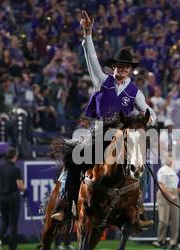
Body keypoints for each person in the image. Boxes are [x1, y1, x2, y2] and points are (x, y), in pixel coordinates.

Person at [50, 11, 156, 230]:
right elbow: (92, 59)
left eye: (127, 66)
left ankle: (138, 208)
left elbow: (148, 111)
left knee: (141, 164)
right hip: (98, 133)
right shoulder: (102, 80)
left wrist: (149, 120)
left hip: (120, 137)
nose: (123, 68)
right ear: (114, 67)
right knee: (74, 160)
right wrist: (88, 34)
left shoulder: (135, 92)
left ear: (130, 69)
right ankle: (64, 204)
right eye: (119, 65)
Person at [0, 148, 26, 250]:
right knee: (13, 224)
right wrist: (25, 190)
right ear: (15, 156)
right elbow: (20, 186)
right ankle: (13, 248)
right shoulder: (16, 170)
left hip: (1, 198)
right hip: (13, 198)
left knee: (5, 221)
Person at [152, 156, 180, 250]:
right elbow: (161, 185)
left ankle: (173, 242)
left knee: (175, 220)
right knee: (164, 220)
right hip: (164, 194)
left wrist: (175, 194)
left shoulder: (173, 171)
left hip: (174, 194)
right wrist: (170, 195)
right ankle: (160, 241)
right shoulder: (162, 170)